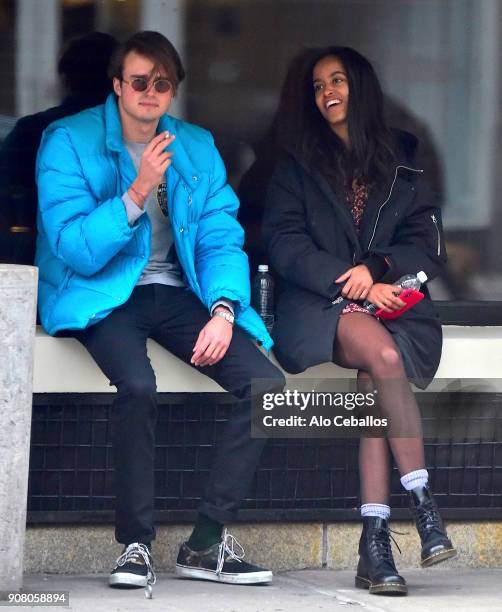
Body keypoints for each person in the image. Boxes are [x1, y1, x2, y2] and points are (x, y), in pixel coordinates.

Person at [35, 30, 285, 594]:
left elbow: (222, 235)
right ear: (118, 85)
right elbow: (72, 245)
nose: (150, 92)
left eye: (162, 83)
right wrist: (137, 190)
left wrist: (224, 308)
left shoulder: (195, 146)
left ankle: (204, 542)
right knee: (138, 386)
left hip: (177, 291)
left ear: (173, 91)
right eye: (139, 81)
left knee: (268, 387)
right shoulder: (67, 141)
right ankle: (134, 546)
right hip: (100, 291)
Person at [262, 46, 456, 596]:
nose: (328, 91)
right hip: (320, 304)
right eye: (319, 84)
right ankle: (423, 505)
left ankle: (374, 547)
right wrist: (347, 277)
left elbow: (425, 242)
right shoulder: (296, 162)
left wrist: (379, 270)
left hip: (390, 298)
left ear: (361, 87)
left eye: (339, 80)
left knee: (376, 382)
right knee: (385, 356)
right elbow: (284, 242)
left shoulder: (401, 158)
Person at [0, 32, 118, 265]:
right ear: (117, 82)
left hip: (31, 256)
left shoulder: (30, 130)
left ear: (66, 78)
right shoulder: (136, 137)